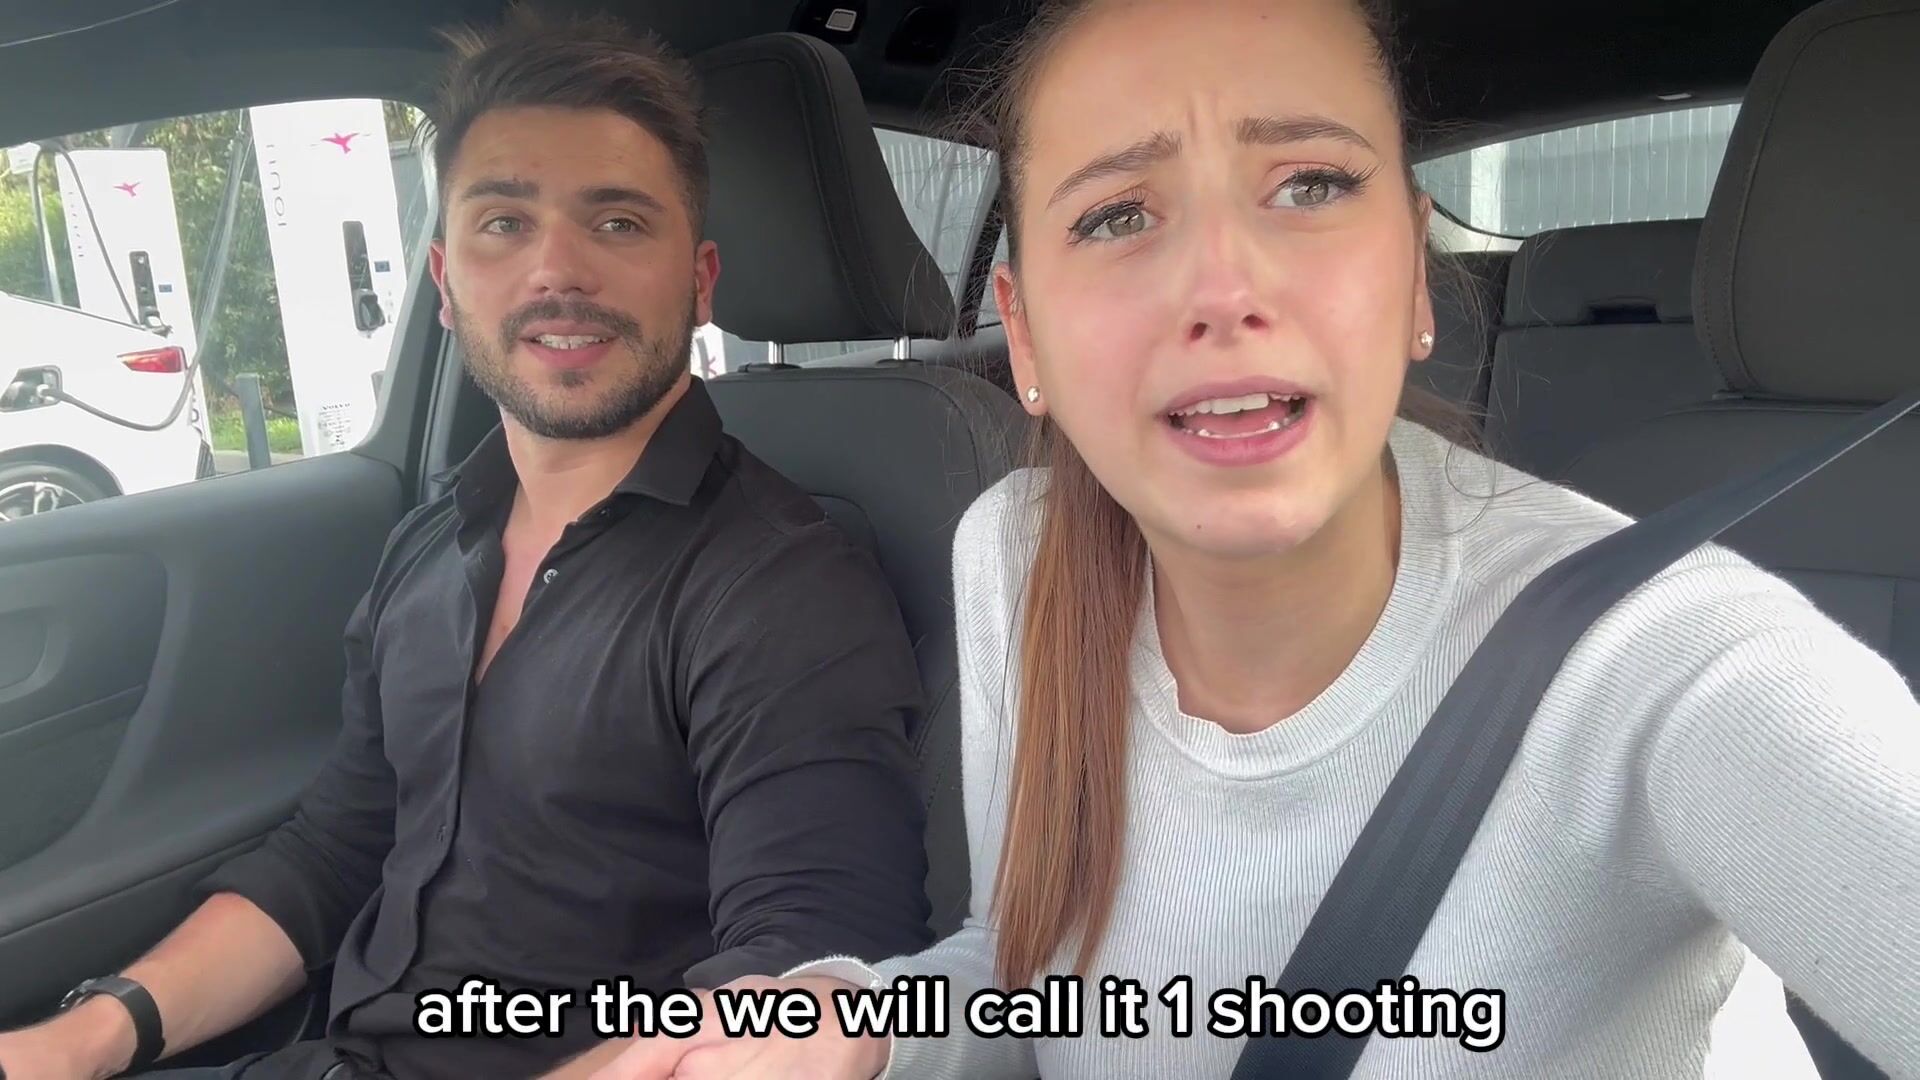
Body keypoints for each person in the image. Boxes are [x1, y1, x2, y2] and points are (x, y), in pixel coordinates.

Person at [574, 0, 1920, 1078]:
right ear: (1023, 336)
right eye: (1118, 214)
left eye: (1310, 184)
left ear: (1413, 275)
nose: (1224, 285)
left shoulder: (1669, 665)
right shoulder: (1016, 556)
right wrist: (847, 1026)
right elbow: (1042, 975)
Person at [0, 8, 933, 1080]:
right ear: (444, 283)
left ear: (700, 280)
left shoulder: (779, 585)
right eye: (504, 222)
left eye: (619, 221)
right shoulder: (431, 542)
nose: (558, 269)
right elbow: (335, 850)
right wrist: (84, 1039)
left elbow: (812, 968)